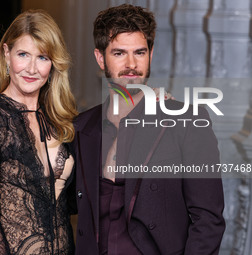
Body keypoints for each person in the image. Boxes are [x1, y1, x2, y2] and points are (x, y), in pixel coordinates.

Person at [73, 4, 225, 255]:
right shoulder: (82, 127)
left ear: (151, 55)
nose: (131, 64)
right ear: (101, 58)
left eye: (139, 52)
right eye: (119, 53)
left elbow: (208, 220)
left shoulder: (186, 120)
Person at [0, 9, 78, 255]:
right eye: (23, 54)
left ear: (54, 63)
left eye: (43, 57)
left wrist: (149, 105)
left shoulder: (60, 118)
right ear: (6, 54)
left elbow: (74, 200)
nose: (32, 69)